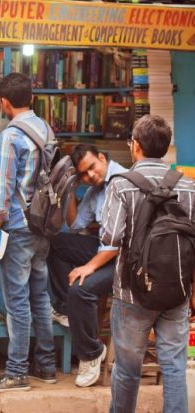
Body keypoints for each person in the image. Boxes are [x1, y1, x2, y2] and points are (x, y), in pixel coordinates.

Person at [102, 115, 195, 413]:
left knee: (128, 370)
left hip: (133, 292)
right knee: (174, 366)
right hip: (176, 291)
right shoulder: (190, 188)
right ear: (166, 150)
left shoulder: (121, 185)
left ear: (136, 146)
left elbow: (110, 235)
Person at [0, 72, 56, 393]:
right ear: (33, 98)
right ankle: (47, 365)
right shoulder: (46, 130)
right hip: (42, 225)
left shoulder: (11, 136)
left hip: (17, 226)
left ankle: (16, 372)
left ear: (5, 103)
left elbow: (2, 191)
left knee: (17, 302)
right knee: (40, 296)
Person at [47, 144, 127, 388]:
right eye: (83, 174)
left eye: (92, 168)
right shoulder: (95, 189)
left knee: (80, 288)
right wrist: (71, 188)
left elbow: (116, 242)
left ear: (102, 157)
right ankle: (65, 310)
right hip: (105, 249)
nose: (90, 176)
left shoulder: (121, 182)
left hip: (126, 258)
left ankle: (92, 353)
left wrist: (89, 267)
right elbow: (74, 224)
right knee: (56, 243)